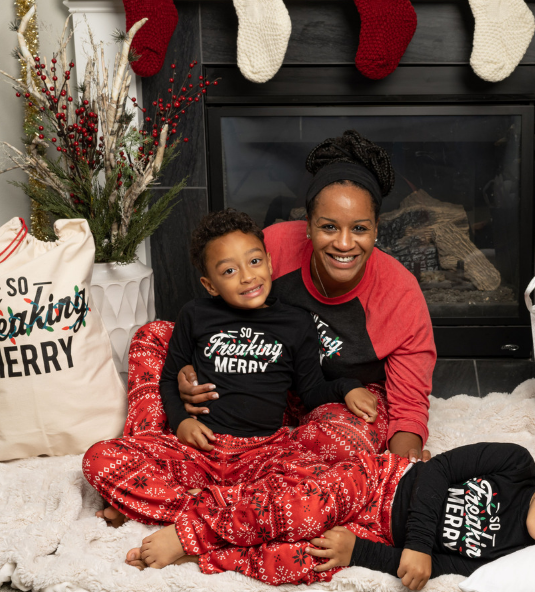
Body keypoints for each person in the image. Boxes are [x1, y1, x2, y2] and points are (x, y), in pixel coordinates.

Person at [83, 209, 377, 527]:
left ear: (269, 261)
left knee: (323, 484)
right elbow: (169, 376)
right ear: (210, 284)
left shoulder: (296, 322)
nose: (248, 276)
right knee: (97, 458)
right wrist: (181, 422)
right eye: (229, 271)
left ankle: (175, 507)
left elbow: (309, 391)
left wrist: (347, 386)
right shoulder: (196, 314)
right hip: (201, 448)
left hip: (264, 451)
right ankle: (230, 511)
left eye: (254, 262)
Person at [176, 130, 437, 463]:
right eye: (329, 227)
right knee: (151, 339)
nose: (344, 244)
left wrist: (406, 464)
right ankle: (159, 456)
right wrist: (189, 368)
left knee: (346, 441)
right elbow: (217, 311)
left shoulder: (400, 293)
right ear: (308, 225)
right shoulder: (272, 249)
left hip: (342, 397)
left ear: (376, 228)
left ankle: (263, 466)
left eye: (359, 228)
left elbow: (409, 406)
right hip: (259, 379)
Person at [123, 442, 535, 588]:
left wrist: (361, 553)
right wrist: (420, 542)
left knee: (301, 561)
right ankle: (193, 530)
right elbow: (439, 470)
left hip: (374, 533)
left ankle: (215, 554)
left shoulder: (513, 562)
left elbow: (435, 569)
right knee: (300, 506)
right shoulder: (516, 464)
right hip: (383, 482)